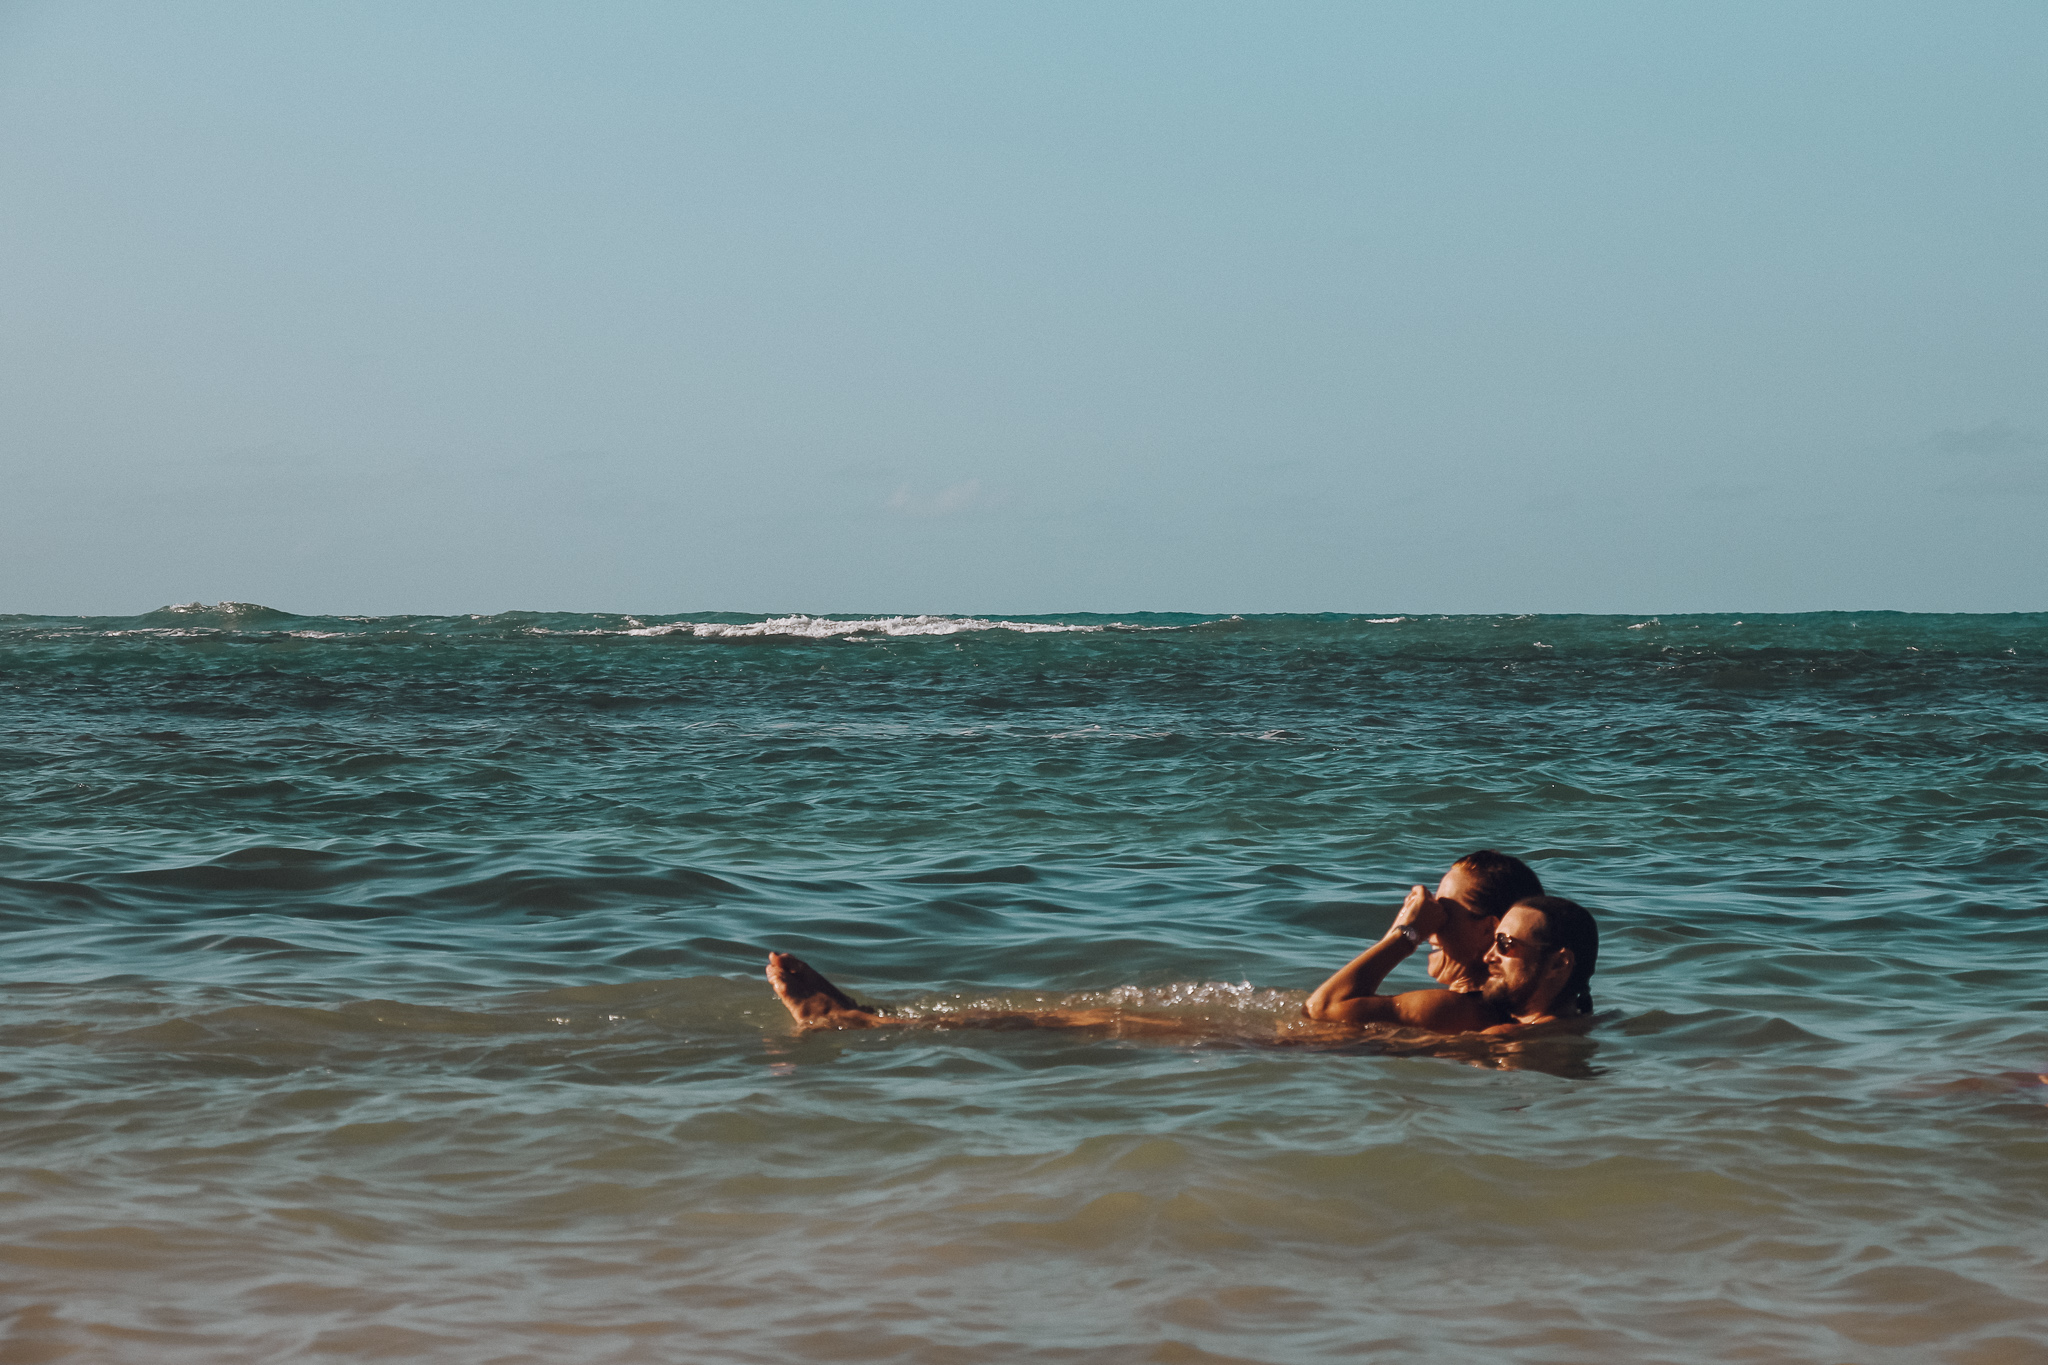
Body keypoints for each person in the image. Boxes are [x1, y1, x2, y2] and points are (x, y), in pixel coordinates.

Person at [766, 853, 1598, 1039]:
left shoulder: (1473, 1009)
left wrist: (1401, 934)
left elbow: (1328, 1009)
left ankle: (863, 1023)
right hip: (1286, 1042)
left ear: (1494, 929)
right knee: (1076, 1018)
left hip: (1276, 1047)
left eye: (1446, 908)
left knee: (1079, 1021)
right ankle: (872, 1020)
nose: (1429, 913)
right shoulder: (1503, 1009)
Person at [1301, 849, 1542, 1031]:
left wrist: (1405, 933)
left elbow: (1321, 1009)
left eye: (1443, 911)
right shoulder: (1497, 1012)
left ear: (1488, 929)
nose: (1431, 928)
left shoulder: (1455, 1009)